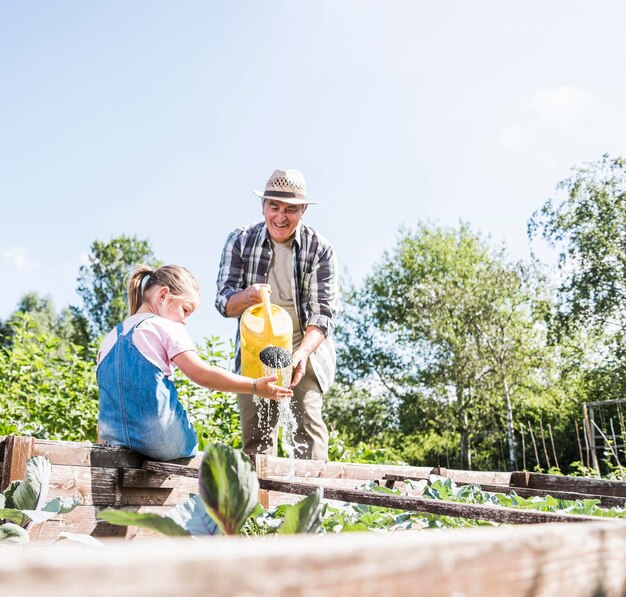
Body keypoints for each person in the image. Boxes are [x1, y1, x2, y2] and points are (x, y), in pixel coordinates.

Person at [97, 264, 292, 461]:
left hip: (115, 439)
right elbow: (203, 374)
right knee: (191, 441)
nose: (185, 321)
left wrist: (101, 449)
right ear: (163, 296)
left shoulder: (109, 338)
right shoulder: (166, 326)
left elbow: (107, 399)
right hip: (164, 440)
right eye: (185, 310)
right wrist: (254, 386)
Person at [215, 169, 338, 460]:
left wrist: (301, 354)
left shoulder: (320, 249)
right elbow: (223, 302)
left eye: (291, 209)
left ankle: (310, 503)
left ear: (303, 210)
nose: (281, 217)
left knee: (307, 433)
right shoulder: (240, 241)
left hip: (301, 348)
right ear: (263, 206)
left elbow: (323, 315)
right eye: (275, 207)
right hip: (254, 350)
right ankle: (261, 504)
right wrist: (250, 295)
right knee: (256, 441)